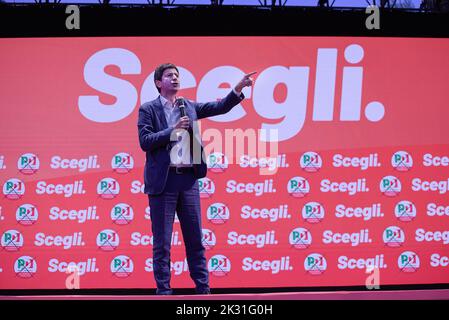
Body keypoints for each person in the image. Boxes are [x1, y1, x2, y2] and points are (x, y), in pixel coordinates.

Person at [137, 63, 255, 295]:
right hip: (163, 183)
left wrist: (238, 89)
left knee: (195, 240)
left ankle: (203, 290)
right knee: (162, 244)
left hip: (188, 181)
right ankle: (164, 292)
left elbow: (220, 107)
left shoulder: (188, 106)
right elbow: (145, 141)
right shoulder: (148, 109)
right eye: (170, 75)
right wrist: (172, 130)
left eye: (177, 75)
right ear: (159, 83)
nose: (175, 78)